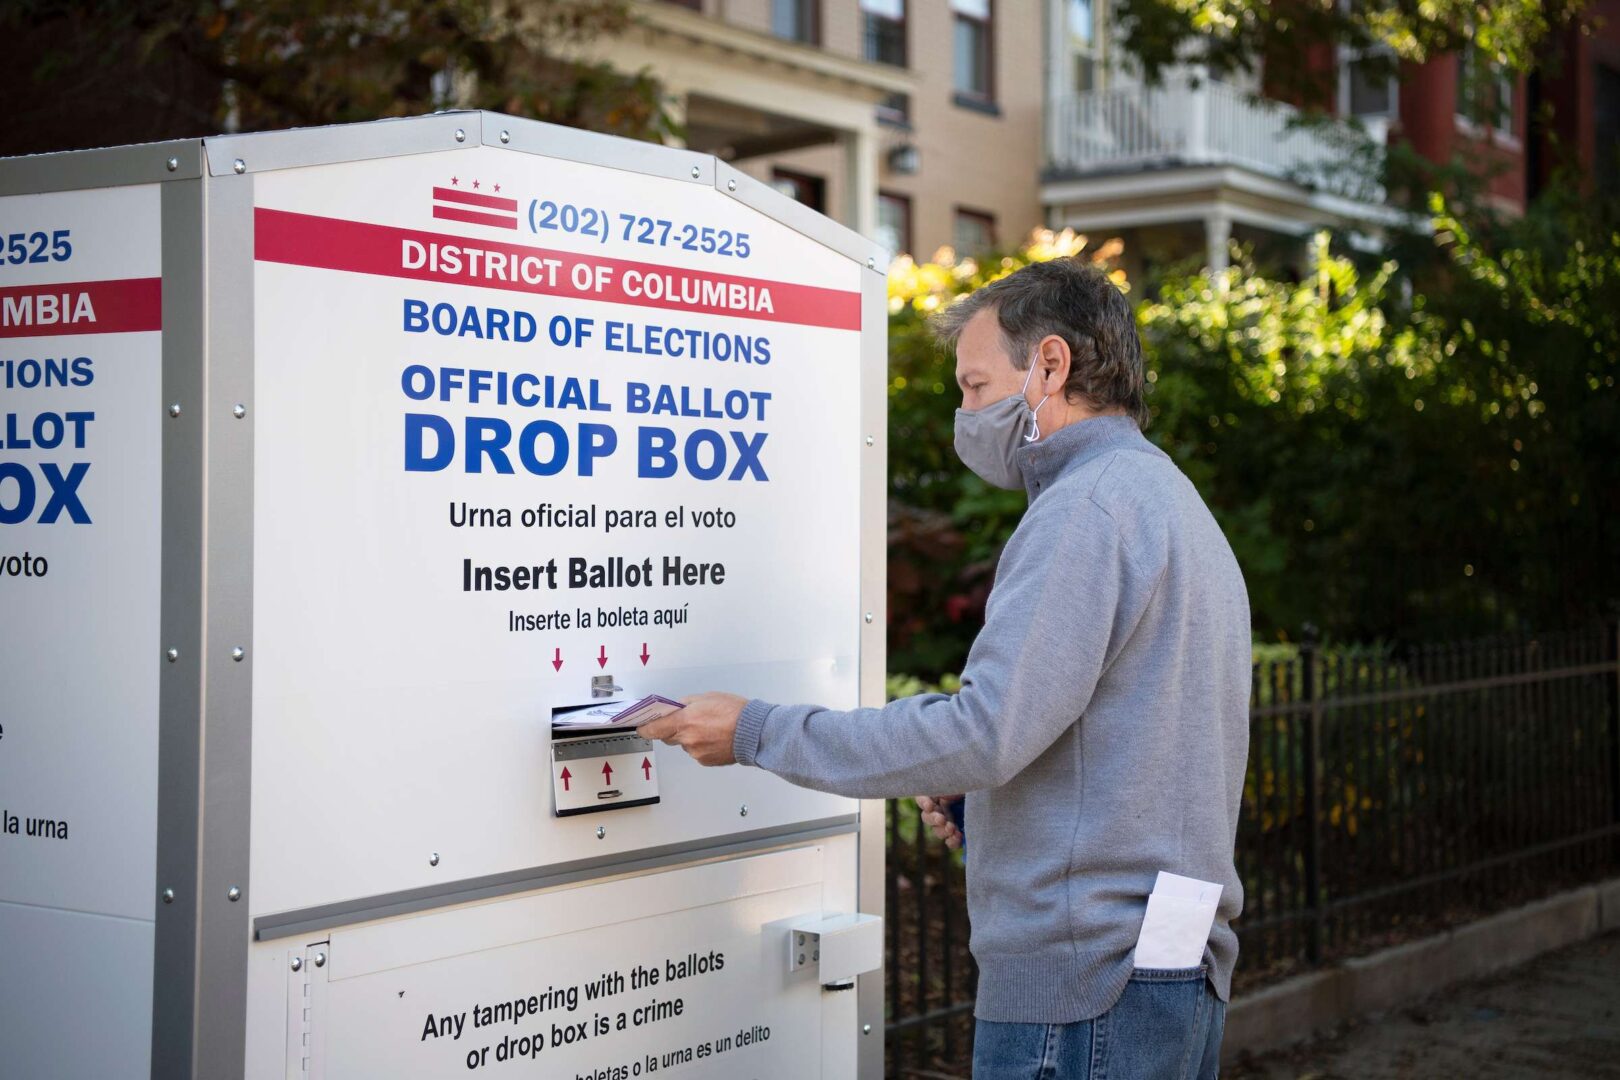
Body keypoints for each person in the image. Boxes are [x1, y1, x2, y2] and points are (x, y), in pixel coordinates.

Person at [638, 257, 1250, 1079]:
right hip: (1169, 968)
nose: (964, 410)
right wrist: (996, 808)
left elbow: (986, 729)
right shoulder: (1167, 500)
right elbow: (1140, 744)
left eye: (973, 384)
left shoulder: (1083, 511)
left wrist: (756, 731)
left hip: (1086, 988)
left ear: (1052, 365)